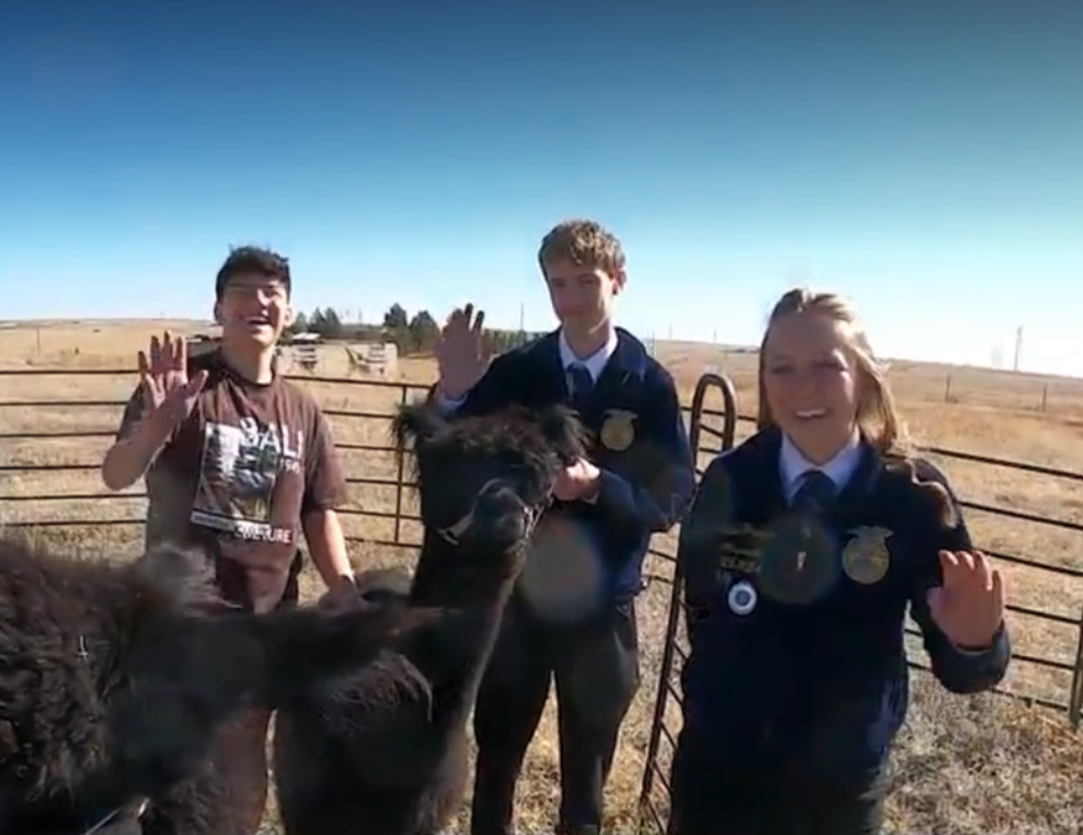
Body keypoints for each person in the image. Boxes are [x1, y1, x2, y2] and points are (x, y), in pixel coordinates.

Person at [667, 287, 1012, 835]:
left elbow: (966, 668)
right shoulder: (731, 479)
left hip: (839, 792)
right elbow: (702, 606)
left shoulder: (911, 496)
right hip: (719, 777)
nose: (803, 387)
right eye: (782, 368)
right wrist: (718, 694)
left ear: (864, 375)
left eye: (826, 365)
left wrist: (974, 641)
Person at [432, 219, 695, 835]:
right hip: (518, 598)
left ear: (619, 281)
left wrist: (601, 486)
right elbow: (453, 451)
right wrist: (451, 392)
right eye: (557, 284)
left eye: (585, 282)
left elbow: (673, 496)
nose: (571, 299)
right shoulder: (519, 370)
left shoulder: (647, 384)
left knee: (587, 774)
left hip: (602, 608)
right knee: (496, 755)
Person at [100, 244, 358, 834]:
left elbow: (318, 511)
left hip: (262, 627)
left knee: (238, 785)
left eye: (272, 294)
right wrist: (159, 424)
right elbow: (117, 474)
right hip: (180, 624)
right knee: (159, 778)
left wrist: (342, 583)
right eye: (242, 292)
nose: (258, 303)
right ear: (219, 308)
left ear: (289, 314)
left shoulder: (304, 410)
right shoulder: (184, 385)